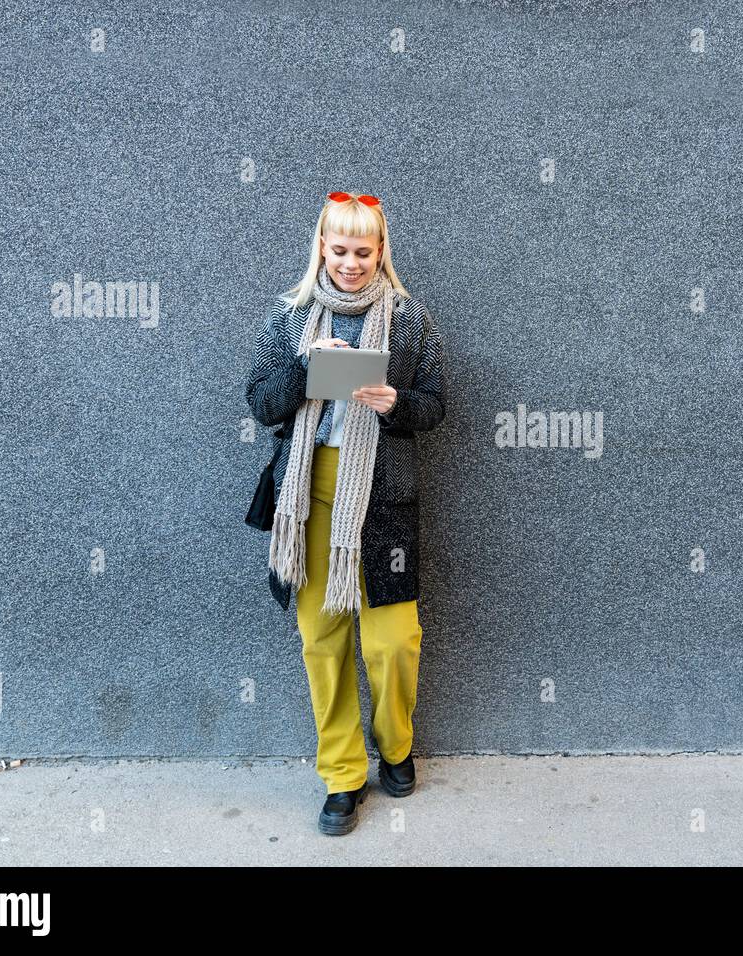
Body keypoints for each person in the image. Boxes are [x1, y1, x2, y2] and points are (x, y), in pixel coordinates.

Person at [244, 190, 447, 835]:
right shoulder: (289, 316)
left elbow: (436, 405)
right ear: (321, 248)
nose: (352, 263)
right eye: (340, 250)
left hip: (383, 495)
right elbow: (260, 403)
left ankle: (396, 747)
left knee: (393, 641)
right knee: (321, 640)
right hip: (308, 494)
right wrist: (307, 372)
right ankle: (342, 775)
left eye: (364, 251)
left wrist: (396, 403)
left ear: (381, 251)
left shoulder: (410, 320)